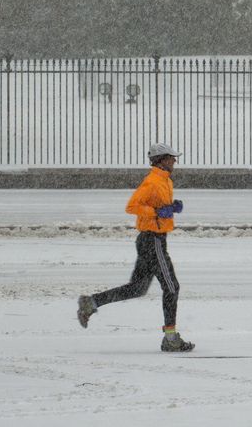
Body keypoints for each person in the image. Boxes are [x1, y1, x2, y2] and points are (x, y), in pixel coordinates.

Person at [76, 142, 195, 353]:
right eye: (172, 158)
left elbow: (156, 206)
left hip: (151, 240)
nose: (175, 161)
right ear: (162, 160)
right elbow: (132, 206)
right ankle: (170, 338)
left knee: (137, 288)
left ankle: (91, 302)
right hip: (153, 241)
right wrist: (158, 213)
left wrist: (170, 207)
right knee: (172, 287)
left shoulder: (164, 180)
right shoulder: (152, 181)